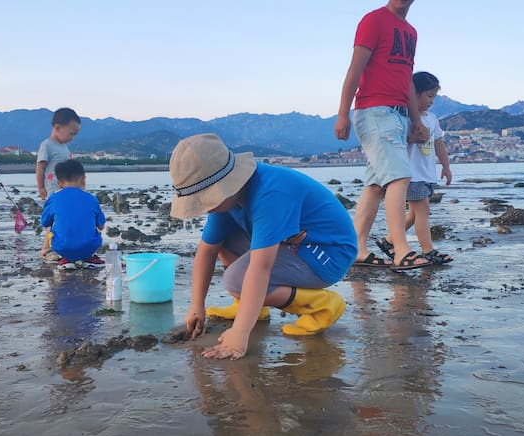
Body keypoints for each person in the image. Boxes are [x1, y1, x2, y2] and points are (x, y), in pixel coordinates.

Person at [170, 134, 358, 360]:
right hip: (291, 243)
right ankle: (252, 307)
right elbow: (207, 251)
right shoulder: (228, 200)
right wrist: (196, 305)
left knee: (236, 280)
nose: (205, 208)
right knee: (223, 240)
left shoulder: (270, 194)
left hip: (328, 253)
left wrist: (240, 333)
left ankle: (322, 305)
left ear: (227, 185)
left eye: (207, 200)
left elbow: (260, 268)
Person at [334, 0, 432, 271]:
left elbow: (407, 80)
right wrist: (343, 114)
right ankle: (401, 249)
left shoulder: (410, 32)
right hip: (374, 111)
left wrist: (415, 120)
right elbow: (355, 69)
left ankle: (357, 248)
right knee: (399, 178)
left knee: (375, 185)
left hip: (398, 115)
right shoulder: (374, 20)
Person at [376, 71, 453, 265]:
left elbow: (439, 143)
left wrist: (446, 166)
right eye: (428, 96)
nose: (431, 101)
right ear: (414, 94)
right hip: (411, 174)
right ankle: (428, 250)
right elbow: (397, 143)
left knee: (414, 213)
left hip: (426, 174)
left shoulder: (432, 118)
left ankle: (389, 240)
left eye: (434, 97)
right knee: (423, 212)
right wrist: (412, 138)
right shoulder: (405, 118)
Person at [40, 160, 105, 270]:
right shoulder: (91, 199)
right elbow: (101, 226)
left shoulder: (53, 198)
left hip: (63, 248)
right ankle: (88, 258)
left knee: (51, 226)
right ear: (83, 179)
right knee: (93, 225)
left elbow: (45, 222)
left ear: (59, 183)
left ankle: (66, 259)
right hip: (89, 247)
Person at [37, 107, 81, 260]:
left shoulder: (64, 147)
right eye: (71, 133)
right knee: (53, 219)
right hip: (53, 190)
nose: (72, 138)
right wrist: (40, 187)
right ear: (57, 128)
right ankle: (46, 248)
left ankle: (61, 245)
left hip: (66, 190)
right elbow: (40, 167)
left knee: (64, 217)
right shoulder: (47, 145)